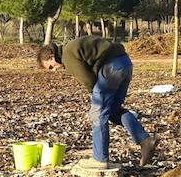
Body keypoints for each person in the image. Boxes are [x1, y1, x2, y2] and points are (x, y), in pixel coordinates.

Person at [37, 36, 158, 169]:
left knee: (97, 114)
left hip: (111, 67)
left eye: (50, 67)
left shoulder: (67, 55)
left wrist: (96, 98)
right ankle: (145, 140)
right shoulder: (71, 48)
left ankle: (100, 159)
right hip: (125, 64)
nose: (54, 70)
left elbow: (88, 79)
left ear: (51, 56)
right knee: (113, 111)